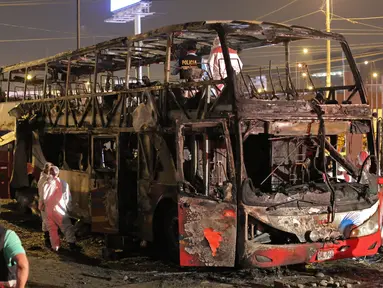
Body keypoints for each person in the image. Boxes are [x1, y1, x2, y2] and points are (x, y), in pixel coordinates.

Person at [42, 166, 81, 252]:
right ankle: (72, 245)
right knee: (67, 228)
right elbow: (66, 198)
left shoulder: (45, 184)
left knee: (52, 230)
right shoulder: (63, 184)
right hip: (59, 210)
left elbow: (43, 198)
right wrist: (70, 209)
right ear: (58, 173)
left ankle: (55, 247)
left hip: (49, 211)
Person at [37, 162, 52, 248]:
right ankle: (47, 239)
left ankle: (48, 239)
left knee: (47, 220)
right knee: (47, 221)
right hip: (45, 203)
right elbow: (42, 193)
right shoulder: (44, 180)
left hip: (46, 203)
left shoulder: (45, 178)